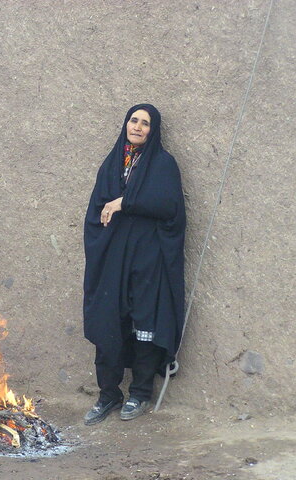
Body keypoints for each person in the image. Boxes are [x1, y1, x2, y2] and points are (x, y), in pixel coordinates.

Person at [82, 104, 185, 425]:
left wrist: (125, 202)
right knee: (108, 320)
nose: (138, 127)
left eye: (145, 123)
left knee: (146, 324)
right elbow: (96, 209)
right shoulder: (113, 163)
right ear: (126, 123)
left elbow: (168, 205)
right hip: (114, 258)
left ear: (153, 131)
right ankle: (108, 394)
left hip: (148, 260)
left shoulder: (163, 164)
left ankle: (139, 392)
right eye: (134, 120)